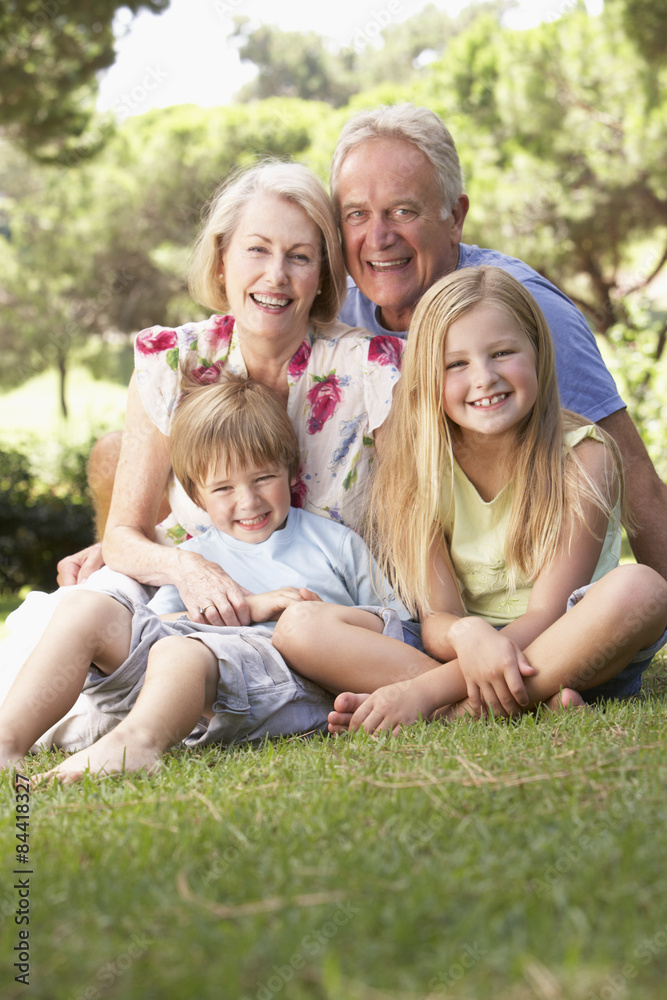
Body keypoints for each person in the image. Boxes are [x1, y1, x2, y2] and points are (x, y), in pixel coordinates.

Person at [0, 159, 405, 752]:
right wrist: (186, 566)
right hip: (187, 601)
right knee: (67, 619)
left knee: (159, 671)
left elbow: (410, 534)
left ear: (323, 274)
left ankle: (134, 737)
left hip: (305, 626)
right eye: (257, 250)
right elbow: (126, 534)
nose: (276, 275)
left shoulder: (372, 370)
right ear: (221, 260)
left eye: (299, 256)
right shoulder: (174, 362)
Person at [272, 267, 667, 734]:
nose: (484, 378)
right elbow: (438, 616)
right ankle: (525, 705)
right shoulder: (418, 463)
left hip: (562, 646)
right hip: (461, 650)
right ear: (428, 376)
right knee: (299, 627)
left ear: (539, 353)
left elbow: (545, 614)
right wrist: (468, 633)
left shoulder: (583, 456)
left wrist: (420, 692)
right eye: (456, 364)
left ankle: (452, 711)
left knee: (641, 589)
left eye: (502, 353)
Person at [0, 375, 422, 780]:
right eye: (223, 489)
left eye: (263, 479)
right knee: (85, 606)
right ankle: (7, 742)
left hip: (287, 678)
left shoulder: (333, 543)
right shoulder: (192, 558)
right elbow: (166, 625)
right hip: (185, 685)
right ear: (197, 495)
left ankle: (137, 746)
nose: (248, 500)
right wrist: (250, 606)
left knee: (181, 652)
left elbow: (393, 626)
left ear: (290, 472)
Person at [331, 103, 667, 580]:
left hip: (537, 593)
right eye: (356, 215)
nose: (378, 237)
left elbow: (636, 478)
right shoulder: (337, 312)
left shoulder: (526, 311)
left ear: (455, 217)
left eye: (403, 210)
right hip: (418, 600)